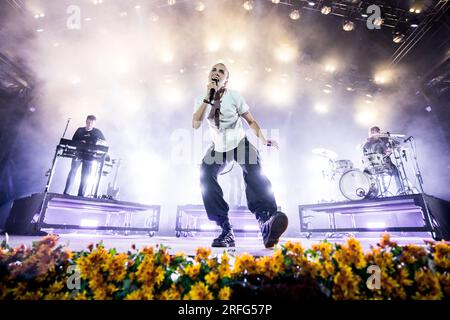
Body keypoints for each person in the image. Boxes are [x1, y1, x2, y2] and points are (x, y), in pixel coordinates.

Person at [192, 63, 288, 248]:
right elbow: (196, 124)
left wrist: (263, 139)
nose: (217, 73)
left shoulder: (234, 96)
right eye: (214, 70)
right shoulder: (201, 99)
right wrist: (208, 97)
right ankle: (225, 229)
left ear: (226, 79)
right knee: (205, 174)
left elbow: (250, 120)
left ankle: (266, 220)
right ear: (209, 75)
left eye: (222, 72)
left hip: (239, 142)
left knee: (254, 171)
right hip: (218, 147)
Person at [63, 115, 106, 197]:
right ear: (86, 121)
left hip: (90, 157)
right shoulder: (80, 130)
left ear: (94, 123)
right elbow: (73, 141)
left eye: (91, 123)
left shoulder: (97, 132)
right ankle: (66, 193)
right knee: (72, 172)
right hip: (78, 154)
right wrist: (80, 141)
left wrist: (96, 142)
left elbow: (104, 143)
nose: (89, 124)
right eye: (88, 122)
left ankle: (81, 195)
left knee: (85, 176)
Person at [362, 126, 403, 194]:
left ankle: (400, 190)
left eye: (375, 132)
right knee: (364, 174)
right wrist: (365, 142)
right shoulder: (367, 143)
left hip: (385, 164)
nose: (373, 134)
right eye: (372, 132)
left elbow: (395, 146)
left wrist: (390, 151)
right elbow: (363, 152)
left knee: (396, 171)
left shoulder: (384, 139)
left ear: (379, 132)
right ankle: (370, 193)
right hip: (372, 166)